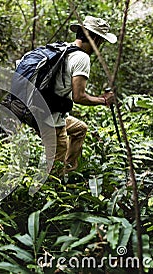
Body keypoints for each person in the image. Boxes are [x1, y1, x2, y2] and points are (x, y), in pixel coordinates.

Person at [40, 16, 117, 175]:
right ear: (94, 38)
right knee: (54, 169)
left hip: (39, 110)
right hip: (52, 119)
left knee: (80, 129)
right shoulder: (82, 58)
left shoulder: (64, 48)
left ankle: (69, 171)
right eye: (101, 41)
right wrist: (103, 100)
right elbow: (79, 97)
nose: (100, 46)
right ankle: (56, 188)